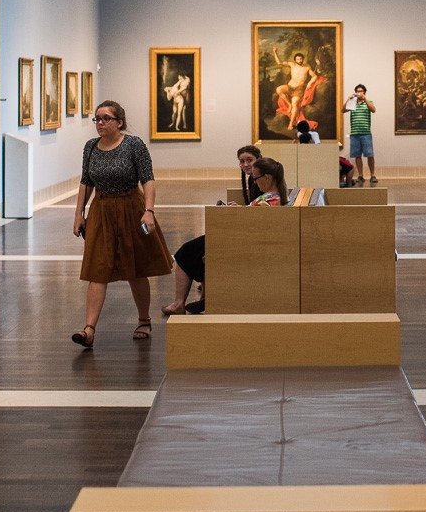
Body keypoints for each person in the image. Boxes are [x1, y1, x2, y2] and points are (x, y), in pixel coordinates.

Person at [71, 100, 172, 348]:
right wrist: (78, 214)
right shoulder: (90, 147)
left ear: (120, 122)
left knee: (135, 268)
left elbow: (148, 179)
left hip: (131, 208)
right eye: (97, 119)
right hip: (102, 210)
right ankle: (89, 329)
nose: (101, 123)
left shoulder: (133, 145)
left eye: (106, 118)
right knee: (98, 268)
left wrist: (149, 211)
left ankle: (144, 319)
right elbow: (86, 181)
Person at [163, 145, 261, 317]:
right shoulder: (254, 179)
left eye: (249, 160)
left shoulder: (258, 181)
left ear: (258, 160)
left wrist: (243, 209)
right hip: (244, 232)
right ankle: (198, 298)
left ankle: (179, 303)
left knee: (185, 252)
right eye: (242, 161)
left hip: (246, 236)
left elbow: (260, 212)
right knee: (194, 251)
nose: (246, 165)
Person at [272, 48, 320, 130]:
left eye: (301, 59)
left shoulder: (307, 67)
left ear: (302, 59)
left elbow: (315, 76)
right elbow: (279, 62)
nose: (300, 60)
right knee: (279, 89)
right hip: (290, 87)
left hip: (299, 89)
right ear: (295, 60)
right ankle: (289, 104)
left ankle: (290, 124)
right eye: (298, 59)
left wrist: (310, 83)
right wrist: (275, 52)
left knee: (295, 103)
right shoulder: (292, 65)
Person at [343, 83, 377, 184]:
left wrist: (365, 99)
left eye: (361, 91)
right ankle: (360, 175)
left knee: (370, 155)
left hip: (366, 133)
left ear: (364, 92)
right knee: (358, 156)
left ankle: (372, 175)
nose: (359, 93)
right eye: (357, 91)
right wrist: (349, 99)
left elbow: (373, 110)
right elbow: (343, 110)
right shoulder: (352, 103)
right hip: (354, 133)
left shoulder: (368, 102)